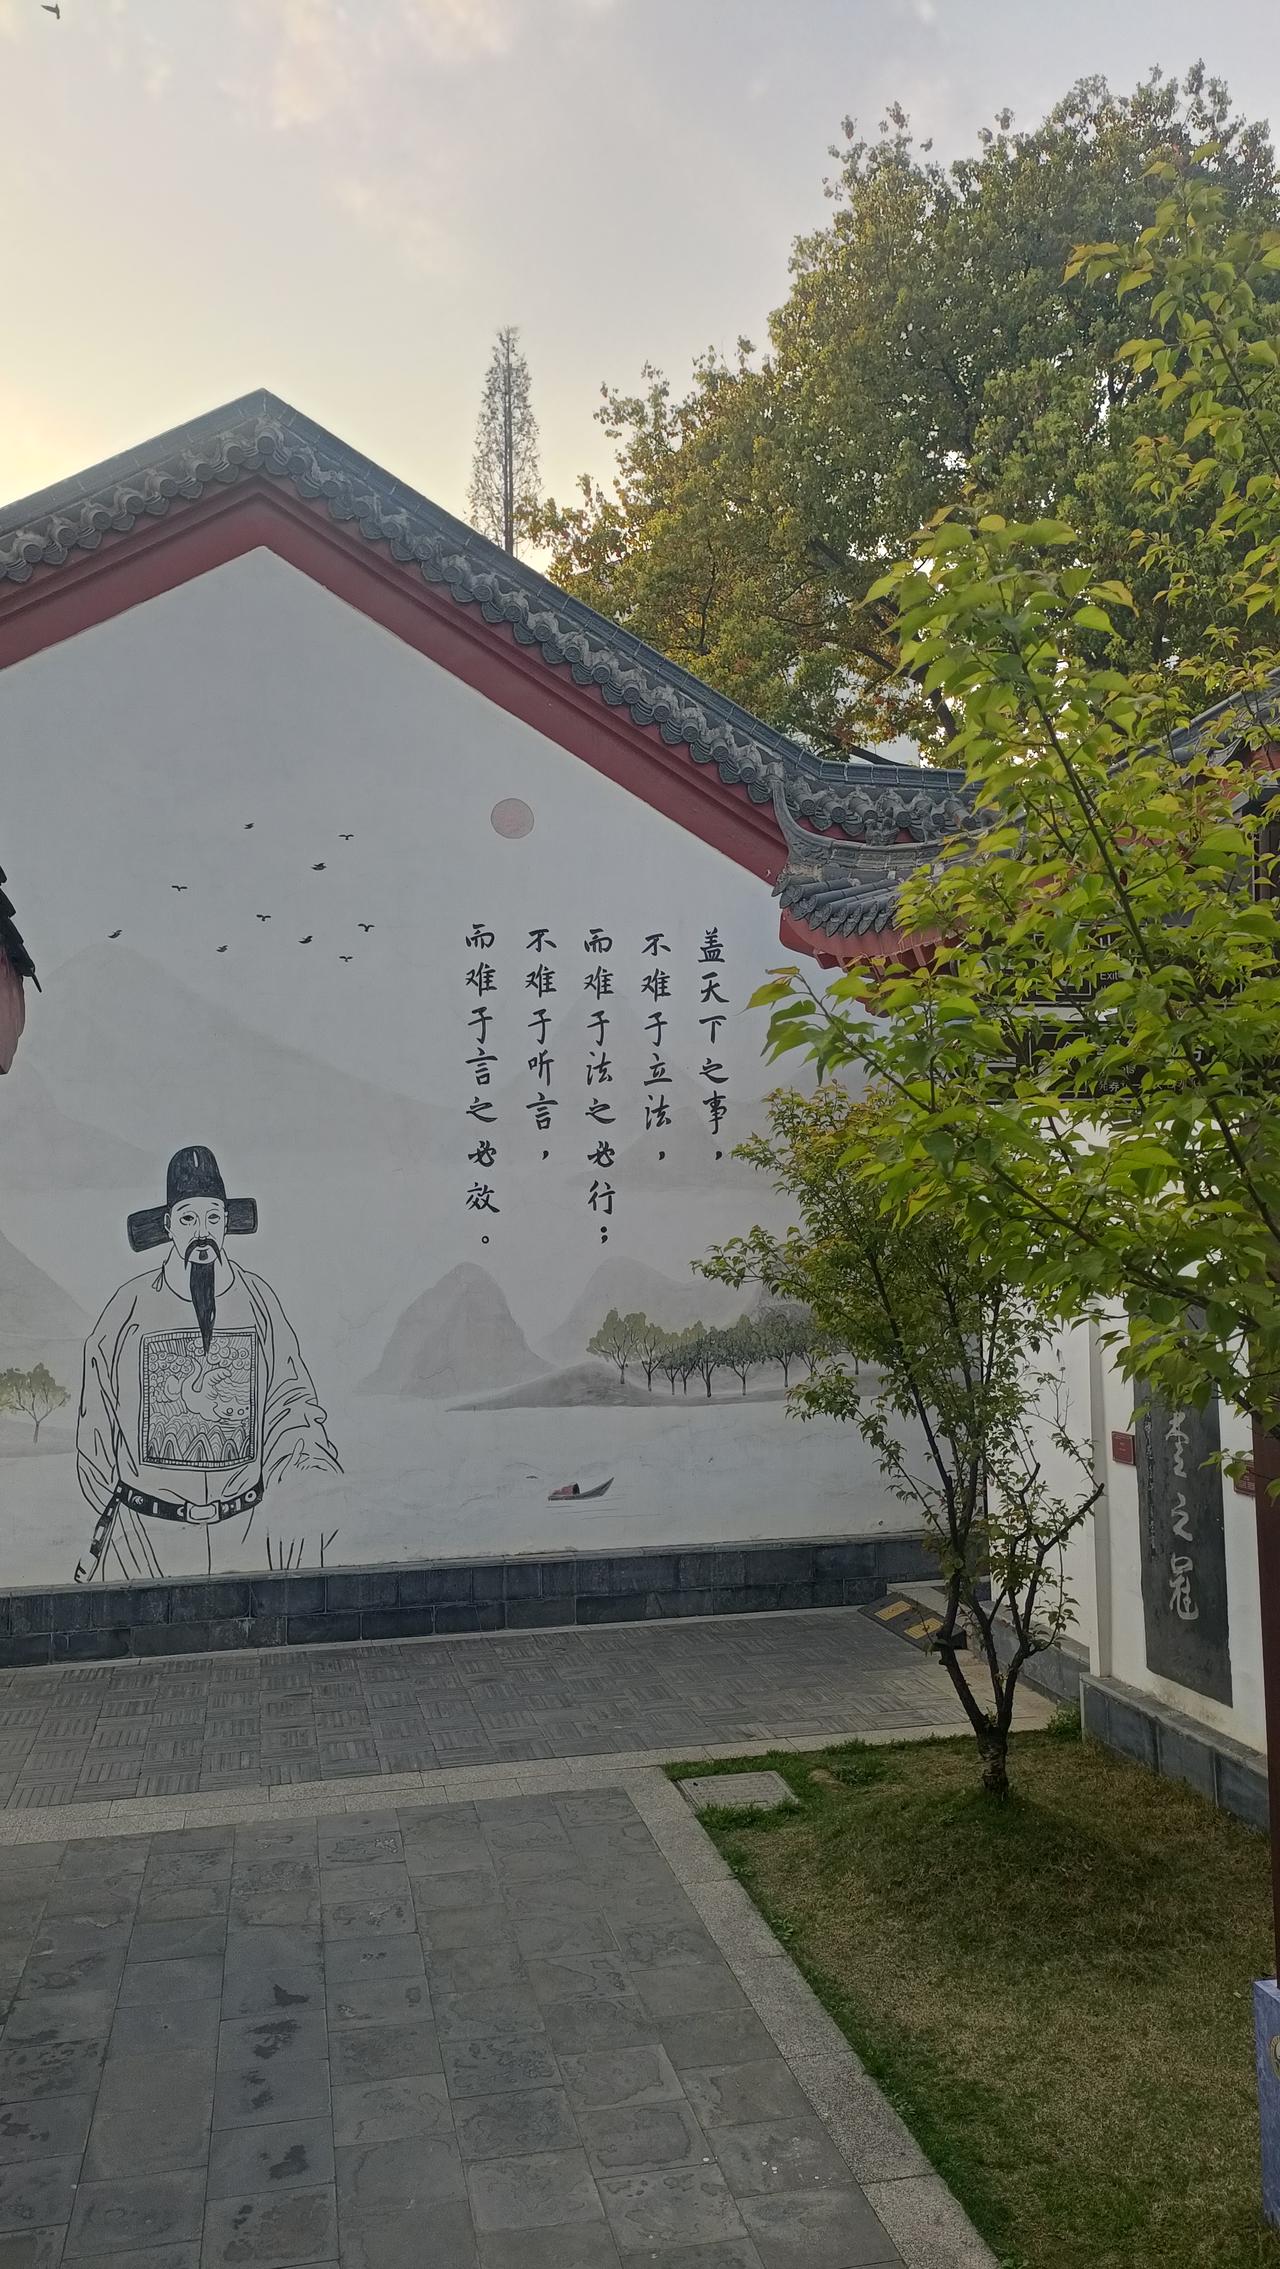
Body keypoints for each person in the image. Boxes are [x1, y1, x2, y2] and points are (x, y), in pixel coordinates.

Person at [75, 1146, 340, 1581]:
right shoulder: (128, 1308)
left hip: (246, 1528)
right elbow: (96, 1427)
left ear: (226, 1223)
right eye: (188, 1219)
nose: (202, 1232)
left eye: (213, 1218)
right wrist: (119, 1523)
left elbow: (290, 1401)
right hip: (145, 1534)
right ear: (168, 1225)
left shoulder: (257, 1300)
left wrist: (306, 1479)